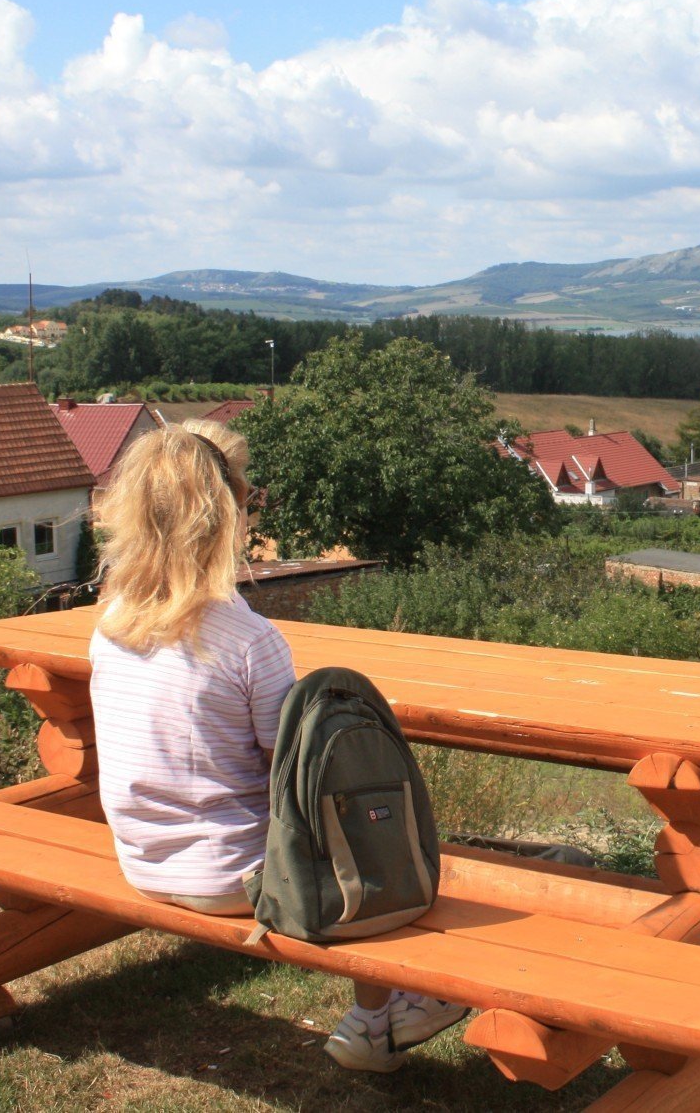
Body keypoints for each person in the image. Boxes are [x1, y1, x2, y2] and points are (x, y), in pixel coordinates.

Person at [87, 420, 466, 1071]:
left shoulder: (111, 624)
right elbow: (295, 786)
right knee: (367, 826)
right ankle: (383, 1012)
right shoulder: (248, 640)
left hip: (142, 860)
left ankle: (377, 1019)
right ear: (225, 515)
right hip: (228, 876)